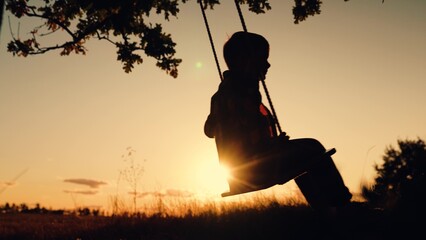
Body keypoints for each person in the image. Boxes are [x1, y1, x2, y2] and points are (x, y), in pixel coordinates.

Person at [204, 31, 352, 210]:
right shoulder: (241, 93)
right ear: (245, 60)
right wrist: (273, 145)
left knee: (303, 159)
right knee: (314, 149)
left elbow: (210, 130)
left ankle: (329, 211)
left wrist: (274, 143)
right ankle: (342, 206)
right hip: (253, 169)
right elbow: (247, 136)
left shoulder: (221, 95)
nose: (267, 64)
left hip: (238, 171)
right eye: (262, 59)